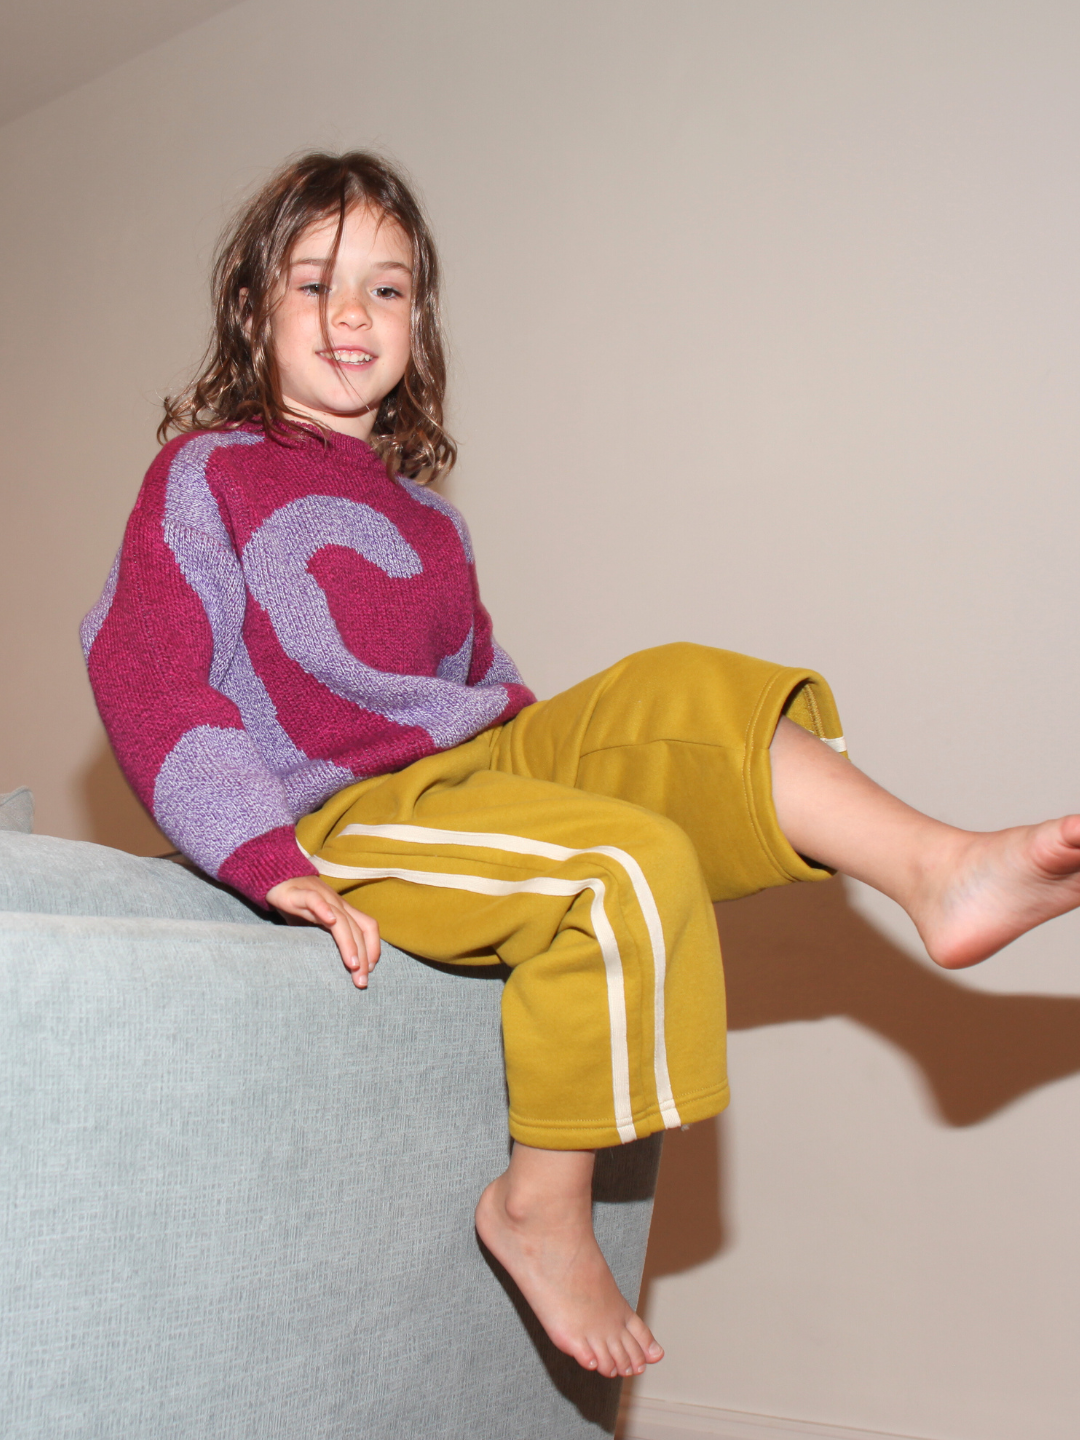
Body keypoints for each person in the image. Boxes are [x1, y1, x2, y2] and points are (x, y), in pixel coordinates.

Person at [81, 151, 1080, 1384]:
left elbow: (483, 688)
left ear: (419, 322)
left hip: (467, 765)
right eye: (314, 282)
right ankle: (538, 1206)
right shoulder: (205, 474)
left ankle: (937, 868)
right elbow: (151, 674)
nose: (353, 315)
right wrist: (261, 854)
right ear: (251, 307)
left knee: (688, 685)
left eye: (387, 290)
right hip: (336, 807)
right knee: (622, 863)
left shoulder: (432, 523)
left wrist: (561, 764)